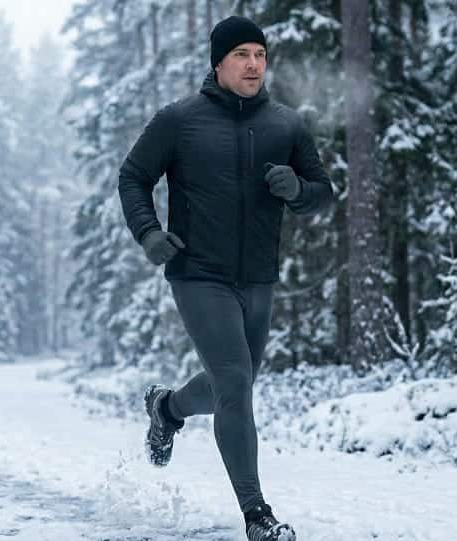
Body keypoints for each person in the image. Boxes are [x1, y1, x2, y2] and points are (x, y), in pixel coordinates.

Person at [116, 14, 335, 541]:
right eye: (241, 55)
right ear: (218, 63)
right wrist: (148, 233)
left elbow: (322, 192)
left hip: (257, 277)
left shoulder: (286, 125)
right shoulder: (180, 120)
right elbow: (133, 176)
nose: (253, 64)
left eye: (260, 55)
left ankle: (167, 408)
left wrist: (297, 190)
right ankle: (257, 516)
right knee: (235, 381)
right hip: (198, 274)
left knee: (229, 384)